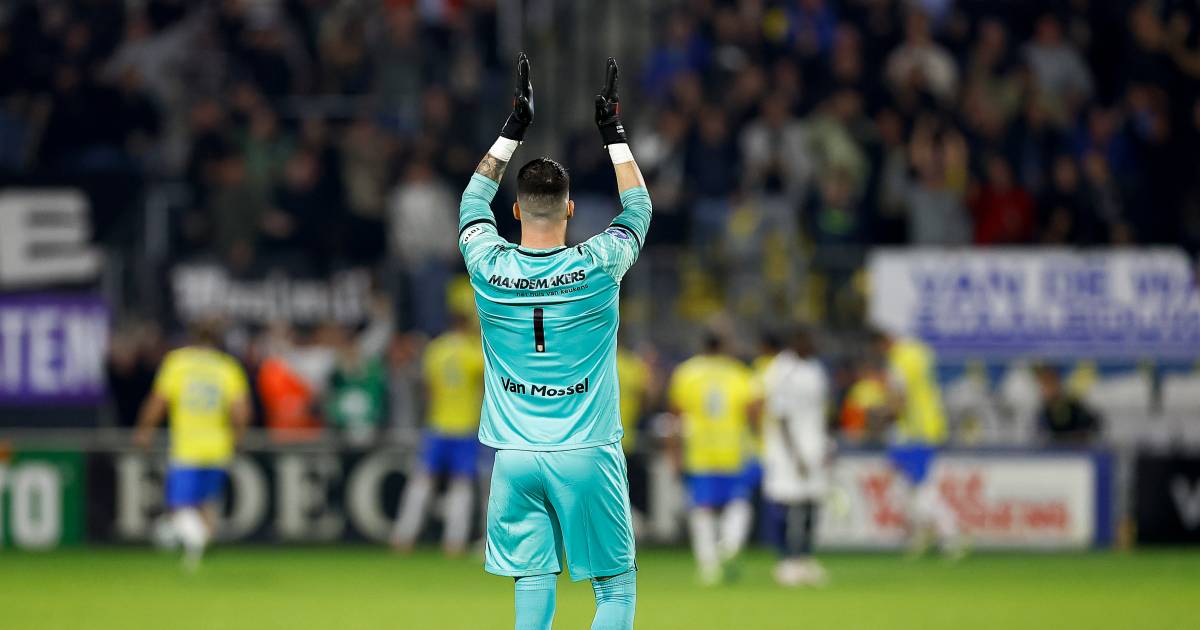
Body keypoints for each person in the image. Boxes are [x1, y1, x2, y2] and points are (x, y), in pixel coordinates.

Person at [457, 55, 648, 630]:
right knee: (614, 591)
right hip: (585, 451)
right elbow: (638, 208)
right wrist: (613, 133)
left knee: (533, 582)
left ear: (514, 211)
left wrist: (512, 127)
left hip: (514, 458)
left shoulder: (487, 264)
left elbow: (470, 204)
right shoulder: (598, 265)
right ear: (570, 209)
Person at [133, 321, 252, 570]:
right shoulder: (227, 367)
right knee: (206, 503)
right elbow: (241, 410)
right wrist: (237, 437)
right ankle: (198, 556)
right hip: (218, 446)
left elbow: (158, 401)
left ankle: (194, 544)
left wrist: (145, 430)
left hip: (187, 447)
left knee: (180, 505)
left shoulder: (178, 363)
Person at [667, 332, 761, 585]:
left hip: (700, 452)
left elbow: (675, 416)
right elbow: (753, 412)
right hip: (733, 450)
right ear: (724, 346)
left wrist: (674, 453)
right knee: (739, 503)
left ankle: (708, 566)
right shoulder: (740, 373)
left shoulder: (686, 373)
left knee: (702, 509)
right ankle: (729, 547)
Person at [391, 313, 485, 556]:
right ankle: (454, 541)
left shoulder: (435, 350)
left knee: (422, 481)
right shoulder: (474, 351)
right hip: (465, 426)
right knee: (461, 484)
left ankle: (404, 536)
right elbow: (483, 387)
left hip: (436, 424)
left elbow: (428, 389)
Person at [871, 330, 966, 559]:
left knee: (921, 491)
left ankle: (950, 535)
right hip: (928, 427)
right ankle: (919, 537)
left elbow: (899, 399)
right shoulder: (919, 353)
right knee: (906, 489)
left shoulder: (899, 361)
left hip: (913, 433)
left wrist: (880, 417)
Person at [760, 328, 831, 587]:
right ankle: (785, 561)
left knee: (812, 501)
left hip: (813, 445)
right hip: (785, 449)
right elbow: (781, 416)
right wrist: (795, 454)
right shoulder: (781, 370)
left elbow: (820, 412)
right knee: (785, 501)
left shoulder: (815, 369)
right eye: (810, 339)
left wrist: (825, 445)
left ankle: (805, 559)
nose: (815, 344)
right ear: (797, 340)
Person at [1034, 365, 1102, 446]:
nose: (1046, 388)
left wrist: (1079, 437)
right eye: (1044, 385)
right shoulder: (1042, 410)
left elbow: (1093, 424)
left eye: (1050, 383)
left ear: (1058, 383)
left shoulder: (1073, 404)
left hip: (1075, 449)